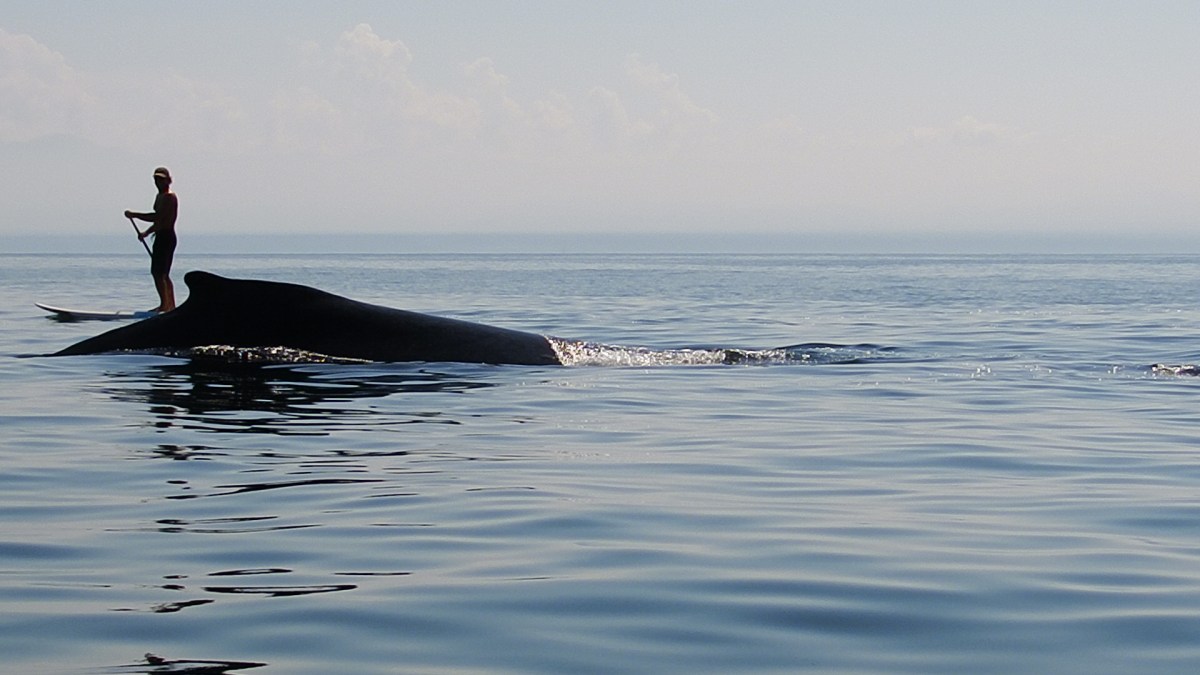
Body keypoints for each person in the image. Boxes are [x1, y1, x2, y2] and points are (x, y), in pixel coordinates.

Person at [125, 166, 178, 313]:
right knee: (161, 273)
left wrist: (135, 215)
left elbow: (158, 217)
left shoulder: (169, 197)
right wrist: (146, 233)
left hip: (167, 237)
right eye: (156, 179)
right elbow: (159, 222)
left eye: (161, 179)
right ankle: (169, 306)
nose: (158, 182)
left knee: (159, 273)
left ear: (168, 180)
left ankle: (166, 306)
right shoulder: (159, 196)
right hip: (160, 235)